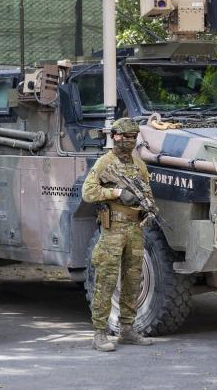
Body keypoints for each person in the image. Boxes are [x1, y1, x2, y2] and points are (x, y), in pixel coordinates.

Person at [82, 117, 154, 352]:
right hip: (113, 229)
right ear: (115, 137)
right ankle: (100, 333)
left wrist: (148, 210)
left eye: (134, 137)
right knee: (106, 280)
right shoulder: (105, 163)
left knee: (133, 281)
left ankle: (127, 329)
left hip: (135, 229)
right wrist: (116, 192)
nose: (131, 141)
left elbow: (147, 193)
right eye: (126, 136)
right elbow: (88, 193)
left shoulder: (139, 165)